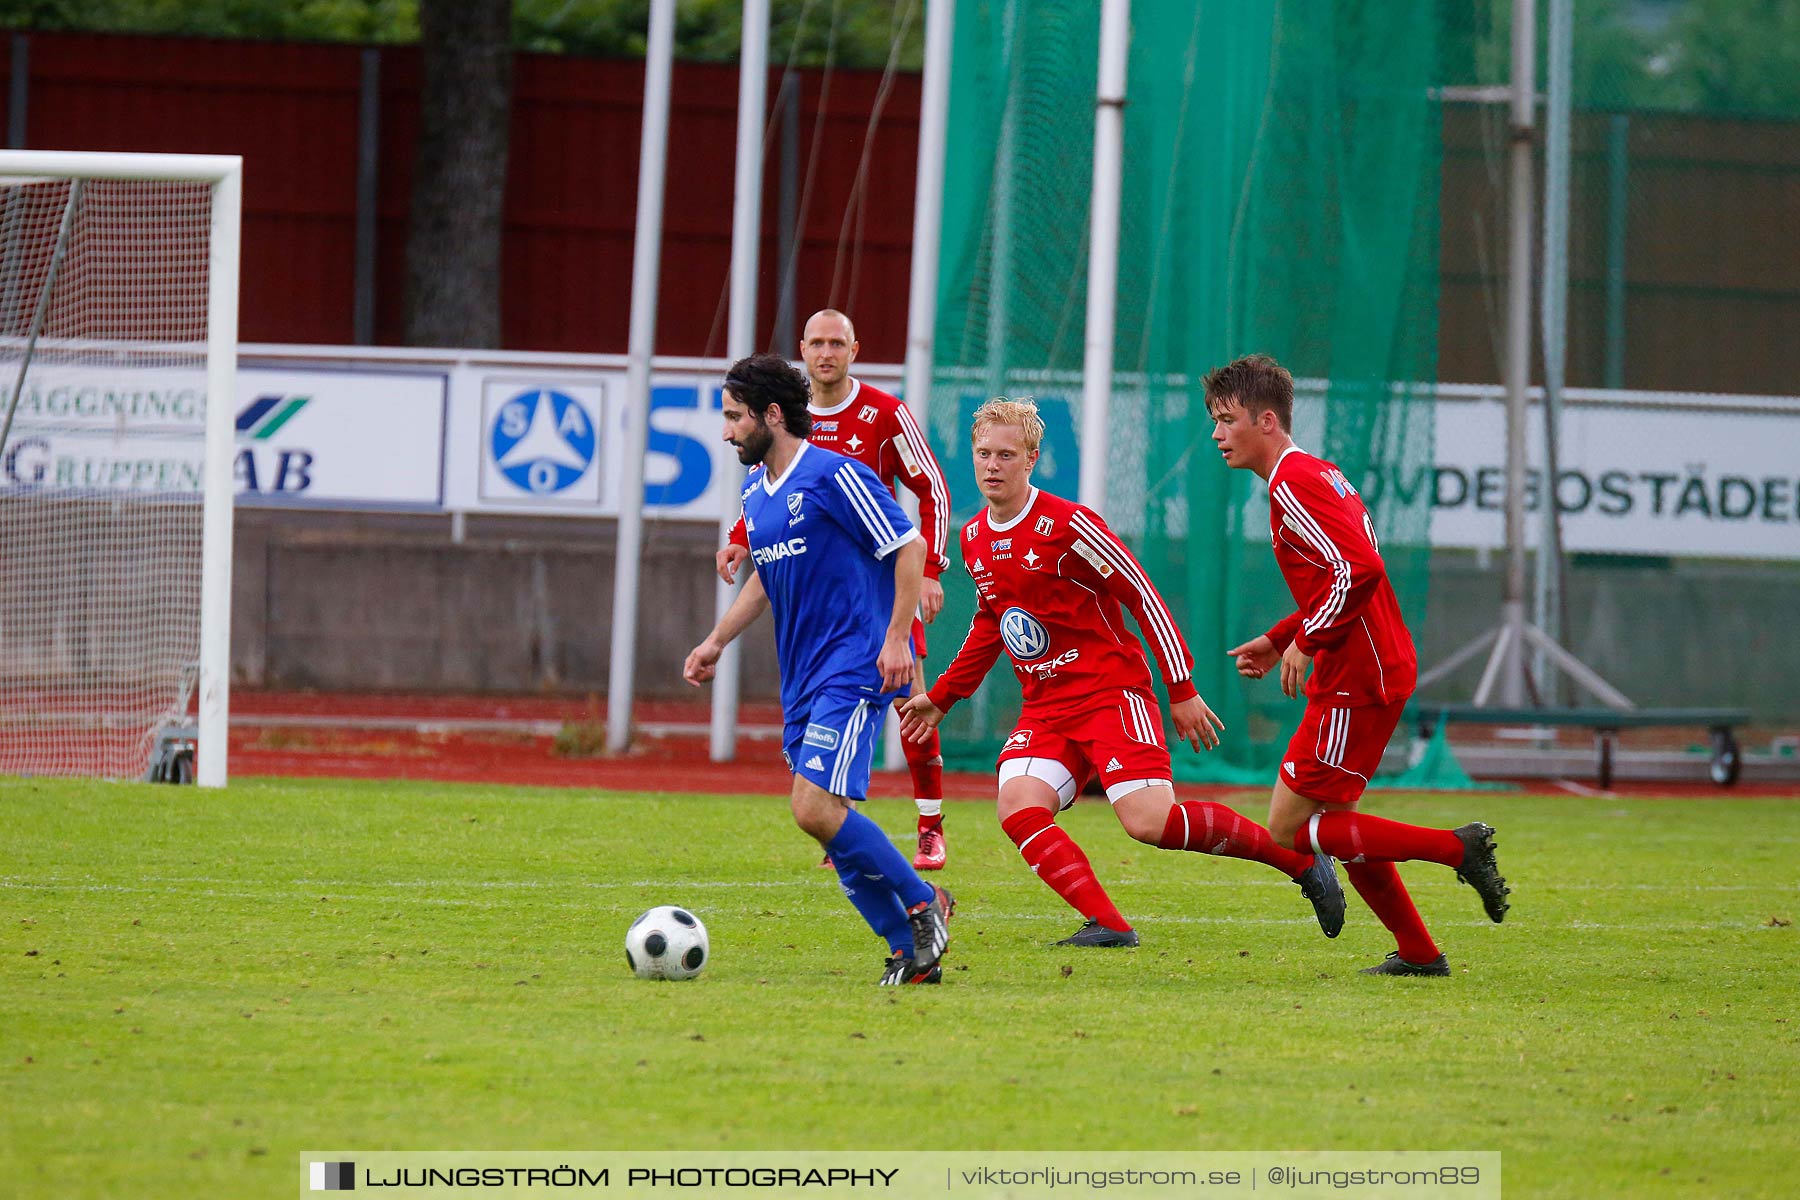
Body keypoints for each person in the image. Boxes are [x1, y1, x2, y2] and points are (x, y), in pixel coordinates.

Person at [898, 398, 1346, 947]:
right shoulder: (973, 538)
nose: (992, 465)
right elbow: (992, 620)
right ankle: (1109, 925)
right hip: (1047, 709)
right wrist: (944, 696)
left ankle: (1301, 864)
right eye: (984, 454)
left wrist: (1179, 689)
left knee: (1148, 823)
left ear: (1032, 458)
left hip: (1112, 695)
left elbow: (1143, 596)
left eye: (1006, 455)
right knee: (1017, 805)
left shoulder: (1068, 524)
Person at [1207, 353, 1511, 977]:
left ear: (1267, 420)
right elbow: (1341, 576)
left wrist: (1307, 642)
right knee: (1336, 824)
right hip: (1367, 668)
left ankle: (1457, 848)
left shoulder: (1295, 484)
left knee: (1291, 830)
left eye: (1226, 419)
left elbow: (1360, 571)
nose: (1217, 433)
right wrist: (1280, 636)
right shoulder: (1316, 476)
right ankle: (1420, 953)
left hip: (1356, 678)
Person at [685, 353, 952, 986]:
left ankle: (924, 901)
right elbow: (767, 580)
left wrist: (895, 642)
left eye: (734, 417)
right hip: (801, 678)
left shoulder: (834, 475)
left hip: (853, 663)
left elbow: (909, 545)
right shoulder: (757, 491)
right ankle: (908, 953)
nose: (726, 432)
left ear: (771, 415)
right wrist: (716, 640)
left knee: (810, 809)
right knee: (828, 822)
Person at [717, 310, 955, 871]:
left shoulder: (884, 413)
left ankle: (928, 825)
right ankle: (838, 823)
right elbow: (772, 501)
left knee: (912, 703)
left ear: (854, 349)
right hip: (821, 594)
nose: (826, 353)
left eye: (836, 343)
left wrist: (931, 570)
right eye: (816, 343)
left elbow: (932, 489)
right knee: (825, 730)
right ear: (802, 349)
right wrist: (738, 540)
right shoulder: (781, 426)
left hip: (880, 585)